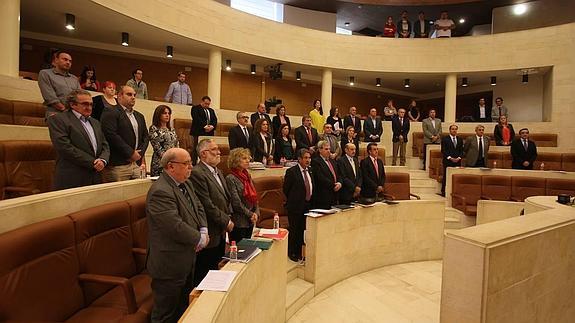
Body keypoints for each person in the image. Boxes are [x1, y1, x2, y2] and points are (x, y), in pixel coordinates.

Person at [146, 147, 208, 323]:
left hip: (187, 258)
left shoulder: (186, 184)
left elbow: (199, 207)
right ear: (171, 166)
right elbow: (174, 226)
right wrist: (199, 238)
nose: (191, 167)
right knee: (165, 314)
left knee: (183, 308)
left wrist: (203, 229)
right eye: (186, 163)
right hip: (169, 264)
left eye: (190, 163)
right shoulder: (161, 191)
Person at [189, 139, 234, 286]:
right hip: (209, 232)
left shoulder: (218, 172)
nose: (219, 152)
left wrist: (228, 217)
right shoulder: (197, 173)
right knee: (205, 275)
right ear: (203, 154)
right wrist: (226, 221)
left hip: (220, 232)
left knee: (215, 271)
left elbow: (225, 199)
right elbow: (206, 205)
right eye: (214, 149)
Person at [47, 89, 109, 190]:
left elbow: (105, 145)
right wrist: (93, 162)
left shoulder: (95, 122)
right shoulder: (58, 120)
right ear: (72, 104)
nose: (89, 107)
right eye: (85, 104)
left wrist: (103, 160)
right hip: (72, 177)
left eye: (91, 104)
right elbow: (64, 147)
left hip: (95, 177)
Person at [100, 86, 149, 182]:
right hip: (118, 165)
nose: (133, 97)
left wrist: (139, 154)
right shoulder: (110, 112)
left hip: (136, 164)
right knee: (117, 196)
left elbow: (146, 137)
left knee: (137, 195)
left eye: (134, 95)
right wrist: (130, 153)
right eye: (129, 94)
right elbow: (111, 135)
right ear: (119, 96)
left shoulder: (139, 116)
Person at [283, 148, 314, 262]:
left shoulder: (310, 170)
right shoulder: (292, 172)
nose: (308, 160)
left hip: (307, 205)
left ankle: (300, 251)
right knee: (295, 230)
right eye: (305, 158)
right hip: (295, 206)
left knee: (303, 230)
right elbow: (286, 189)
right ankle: (292, 252)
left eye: (309, 158)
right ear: (299, 159)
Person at [226, 148, 259, 243]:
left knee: (248, 250)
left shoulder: (247, 175)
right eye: (244, 158)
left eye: (248, 158)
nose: (248, 160)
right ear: (236, 160)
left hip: (250, 220)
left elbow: (254, 196)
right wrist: (250, 214)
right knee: (240, 251)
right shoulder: (230, 178)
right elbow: (236, 202)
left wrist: (256, 212)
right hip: (239, 221)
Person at [37, 50, 80, 118]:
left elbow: (79, 97)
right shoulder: (45, 73)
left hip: (74, 114)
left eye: (70, 61)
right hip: (55, 112)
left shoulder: (74, 78)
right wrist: (66, 110)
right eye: (65, 59)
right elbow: (50, 98)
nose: (68, 62)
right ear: (56, 60)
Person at [149, 105, 179, 176]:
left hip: (173, 161)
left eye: (168, 113)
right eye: (164, 113)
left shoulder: (171, 129)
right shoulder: (154, 128)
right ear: (158, 114)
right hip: (160, 162)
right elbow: (157, 147)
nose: (167, 115)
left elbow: (176, 144)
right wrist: (168, 159)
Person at [312, 141, 342, 209]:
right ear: (320, 150)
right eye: (326, 149)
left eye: (329, 149)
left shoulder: (333, 161)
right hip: (324, 196)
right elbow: (320, 178)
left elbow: (339, 174)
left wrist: (340, 183)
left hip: (335, 195)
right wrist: (334, 185)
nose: (329, 151)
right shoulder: (316, 162)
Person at [190, 96, 217, 165]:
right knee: (196, 148)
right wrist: (205, 126)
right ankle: (194, 163)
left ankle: (207, 162)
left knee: (208, 149)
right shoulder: (195, 108)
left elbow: (215, 120)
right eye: (205, 103)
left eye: (208, 104)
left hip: (209, 133)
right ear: (202, 102)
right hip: (198, 132)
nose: (207, 105)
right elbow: (196, 119)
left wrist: (212, 126)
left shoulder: (211, 110)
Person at [440, 124, 464, 196]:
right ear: (450, 130)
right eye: (453, 129)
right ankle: (443, 191)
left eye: (455, 129)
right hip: (448, 161)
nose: (454, 130)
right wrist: (450, 158)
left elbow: (461, 150)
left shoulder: (460, 139)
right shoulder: (445, 139)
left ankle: (455, 192)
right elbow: (443, 150)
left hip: (457, 161)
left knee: (456, 177)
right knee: (446, 177)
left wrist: (459, 158)